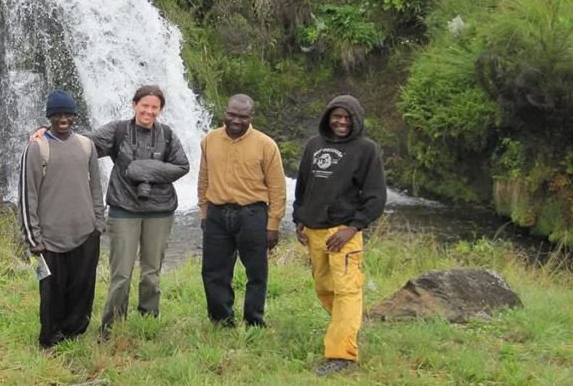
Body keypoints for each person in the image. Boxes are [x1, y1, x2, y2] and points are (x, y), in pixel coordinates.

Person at [31, 85, 189, 339]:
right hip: (123, 208)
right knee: (121, 274)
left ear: (160, 110)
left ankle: (148, 322)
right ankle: (111, 326)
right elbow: (81, 142)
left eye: (154, 107)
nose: (149, 111)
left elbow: (183, 165)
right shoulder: (119, 131)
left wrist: (146, 169)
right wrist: (45, 132)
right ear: (134, 104)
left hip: (160, 210)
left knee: (151, 274)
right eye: (144, 105)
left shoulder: (168, 135)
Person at [293, 95, 387, 376]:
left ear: (356, 119)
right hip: (315, 230)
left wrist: (353, 227)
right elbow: (304, 185)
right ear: (328, 117)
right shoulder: (314, 145)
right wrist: (300, 217)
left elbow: (375, 196)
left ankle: (342, 354)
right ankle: (349, 328)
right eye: (337, 116)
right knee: (324, 289)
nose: (342, 122)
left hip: (344, 233)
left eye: (348, 117)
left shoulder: (366, 149)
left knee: (346, 291)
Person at [18, 89, 105, 349]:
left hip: (86, 233)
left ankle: (75, 332)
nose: (63, 119)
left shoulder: (86, 145)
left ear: (75, 116)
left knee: (82, 286)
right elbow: (26, 195)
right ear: (49, 117)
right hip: (46, 239)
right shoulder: (36, 148)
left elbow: (96, 188)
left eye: (68, 114)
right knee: (49, 291)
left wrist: (98, 224)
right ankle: (50, 338)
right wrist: (32, 238)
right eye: (57, 114)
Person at [198, 94, 287, 328]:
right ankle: (221, 321)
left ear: (251, 117)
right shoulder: (209, 140)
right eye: (232, 114)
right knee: (214, 271)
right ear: (224, 112)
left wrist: (273, 224)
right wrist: (204, 212)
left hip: (253, 215)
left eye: (243, 116)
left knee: (256, 273)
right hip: (216, 214)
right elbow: (203, 179)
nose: (236, 120)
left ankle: (254, 321)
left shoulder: (266, 145)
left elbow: (277, 188)